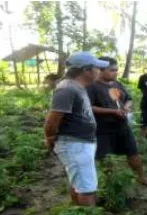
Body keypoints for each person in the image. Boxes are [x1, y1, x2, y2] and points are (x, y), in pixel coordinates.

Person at [43, 52, 109, 206]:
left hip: (80, 143)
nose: (99, 71)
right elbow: (52, 120)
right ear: (86, 70)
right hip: (74, 144)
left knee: (79, 182)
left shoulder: (77, 87)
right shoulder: (67, 89)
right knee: (87, 189)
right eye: (96, 68)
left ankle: (78, 213)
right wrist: (50, 138)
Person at [86, 56, 147, 188]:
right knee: (104, 158)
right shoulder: (92, 87)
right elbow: (89, 107)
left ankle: (141, 177)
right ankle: (109, 183)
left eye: (116, 69)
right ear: (100, 70)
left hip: (122, 126)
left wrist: (126, 107)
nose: (115, 72)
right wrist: (112, 111)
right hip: (103, 129)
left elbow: (128, 98)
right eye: (112, 70)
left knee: (132, 153)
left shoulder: (116, 84)